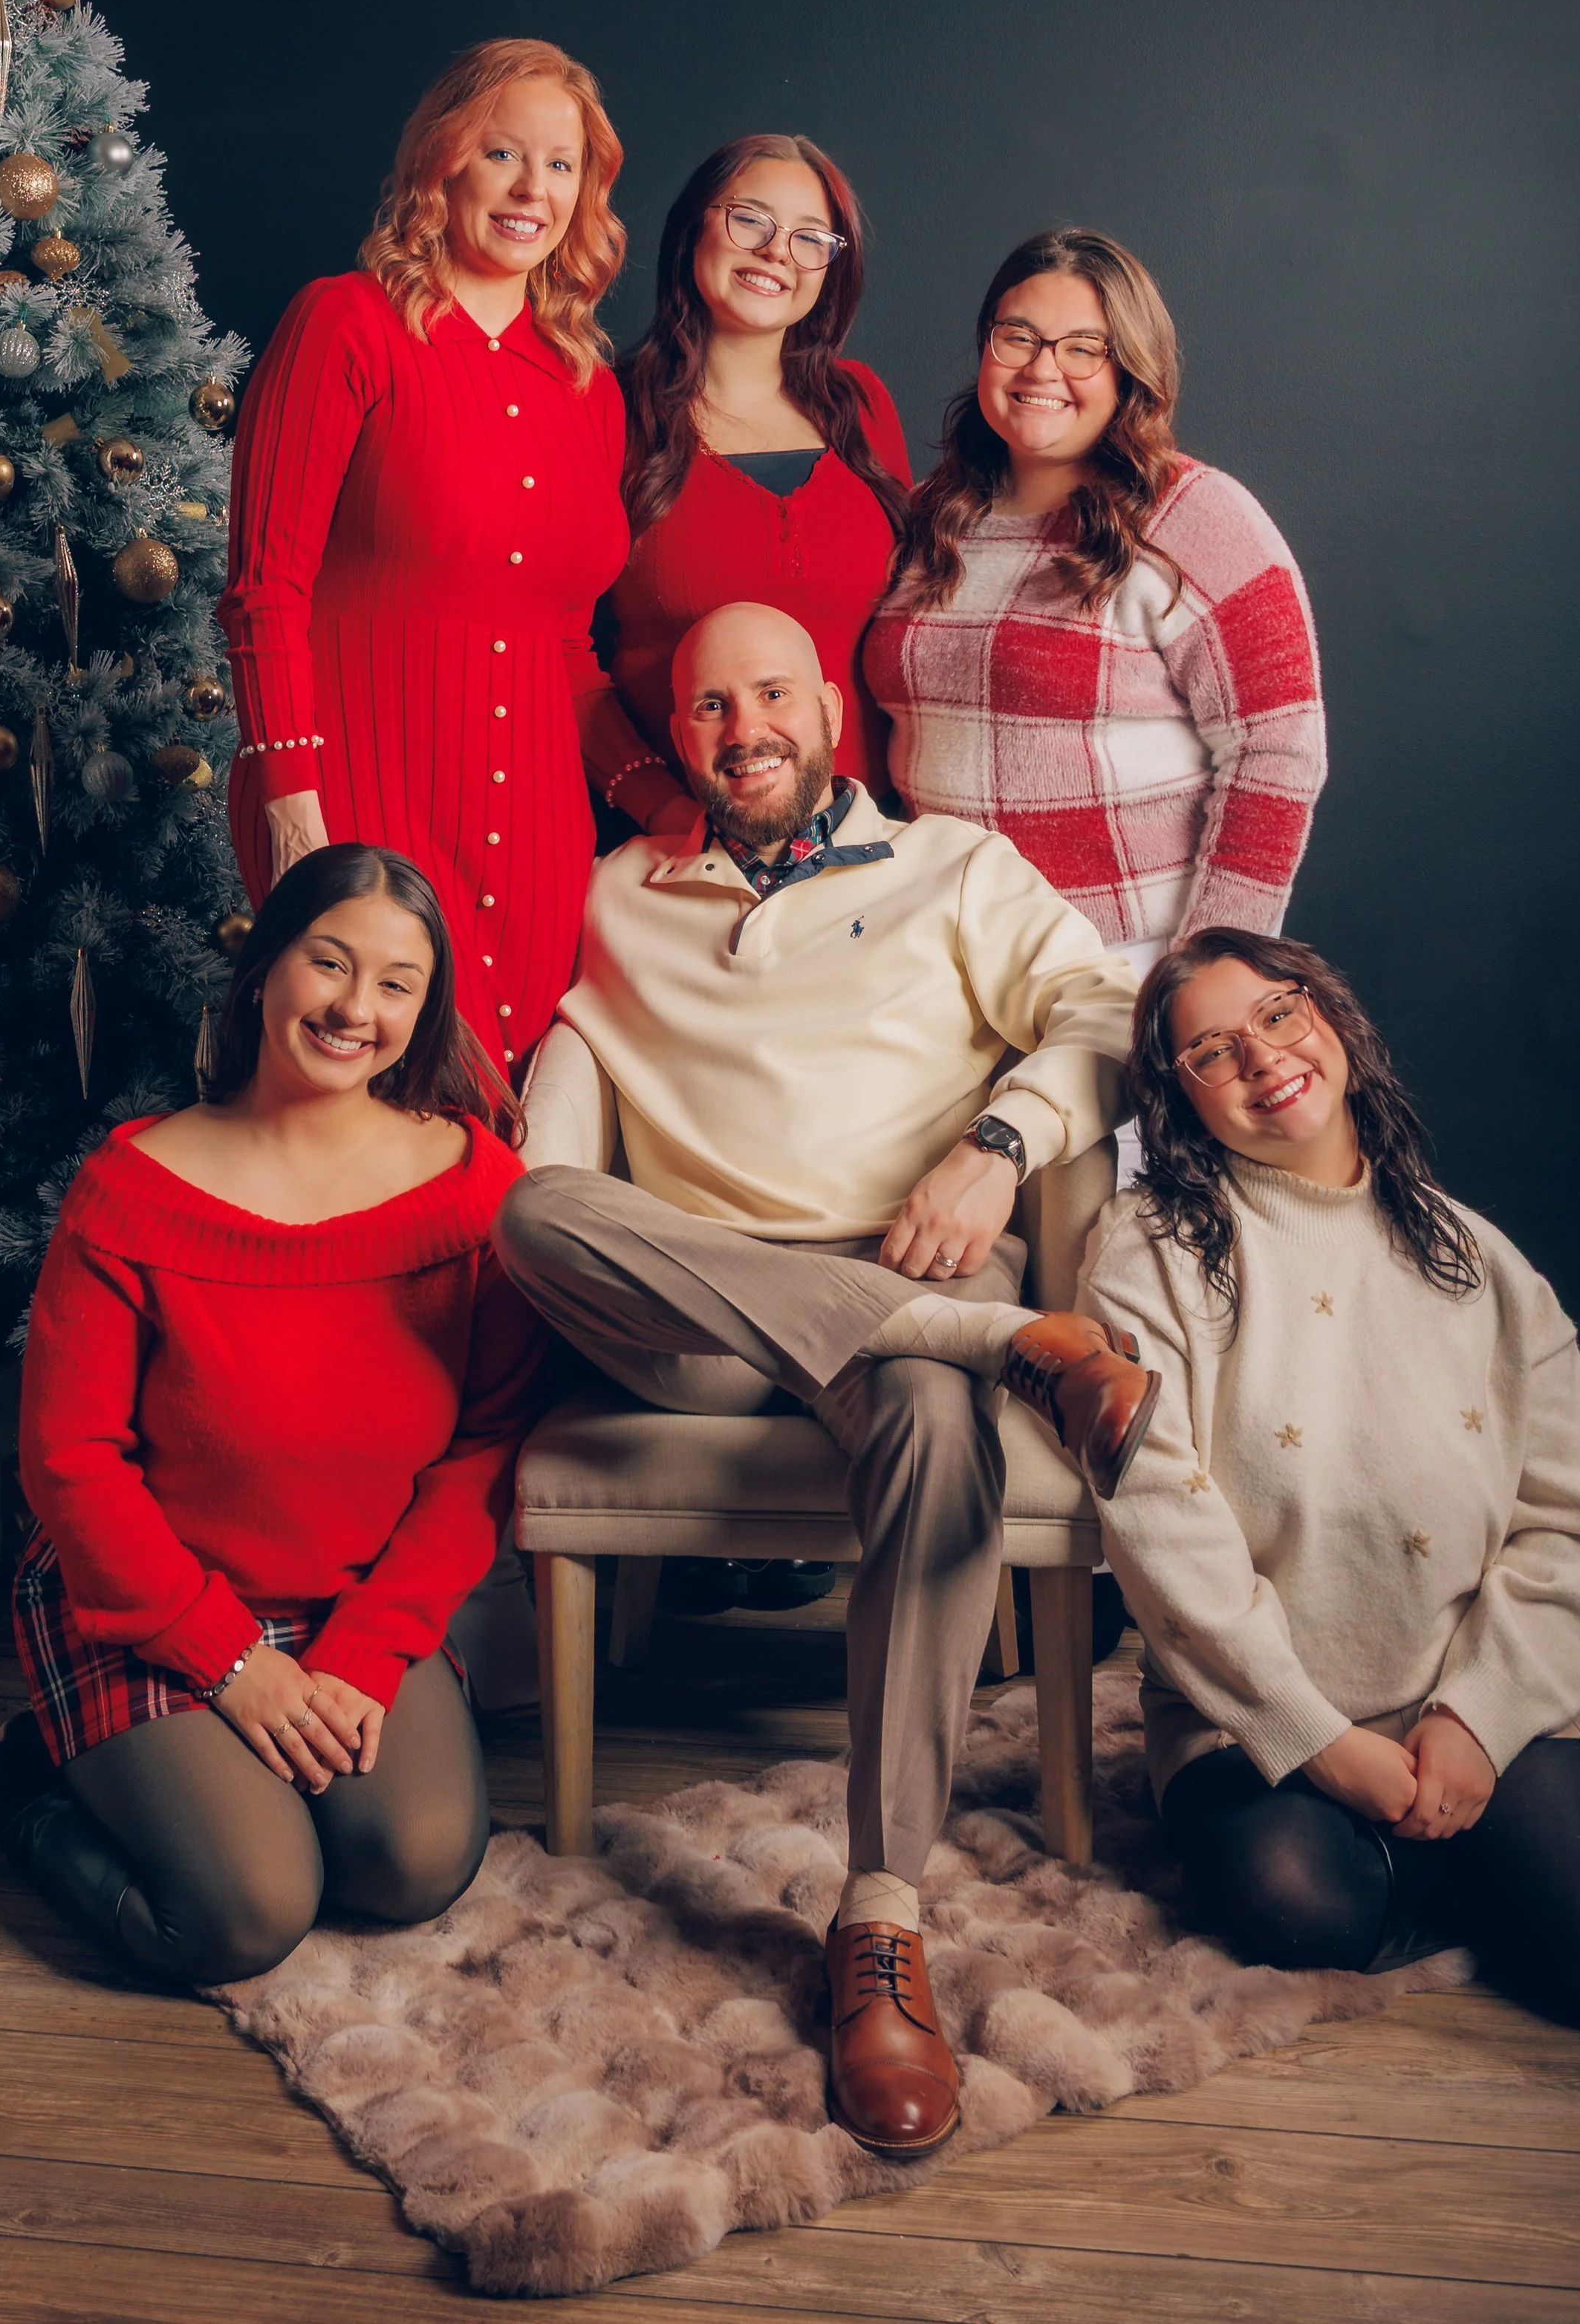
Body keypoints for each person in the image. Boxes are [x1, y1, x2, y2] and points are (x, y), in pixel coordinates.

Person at [493, 600, 1160, 2158]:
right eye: (710, 708)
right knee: (534, 1208)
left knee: (928, 1414)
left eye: (771, 694)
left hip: (910, 1275)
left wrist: (997, 1151)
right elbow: (543, 1121)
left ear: (827, 712)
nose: (744, 731)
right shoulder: (615, 896)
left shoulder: (954, 869)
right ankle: (1009, 1353)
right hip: (696, 1325)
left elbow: (1108, 1012)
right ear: (678, 740)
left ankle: (878, 1922)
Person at [1043, 927, 1580, 2031]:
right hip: (1245, 1715)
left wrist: (1478, 1718)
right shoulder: (1151, 1245)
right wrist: (1316, 1737)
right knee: (1302, 1905)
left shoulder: (1481, 1259)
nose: (1263, 1058)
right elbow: (1162, 1527)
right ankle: (1560, 1856)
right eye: (1213, 1052)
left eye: (1277, 1014)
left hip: (1466, 1684)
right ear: (1183, 1099)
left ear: (1331, 1020)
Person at [0, 847, 544, 1990]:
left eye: (398, 983)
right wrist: (232, 1663)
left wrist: (365, 1649)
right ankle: (18, 1788)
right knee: (244, 1914)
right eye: (330, 962)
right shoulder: (134, 1190)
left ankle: (207, 1778)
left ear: (426, 1007)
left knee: (410, 1864)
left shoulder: (475, 1188)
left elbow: (484, 1448)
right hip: (153, 1600)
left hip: (355, 1601)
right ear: (265, 969)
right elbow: (71, 1464)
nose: (357, 1008)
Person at [218, 38, 629, 1073]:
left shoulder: (588, 388)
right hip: (359, 803)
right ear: (442, 162)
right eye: (503, 153)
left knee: (498, 1152)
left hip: (539, 832)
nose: (534, 187)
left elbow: (568, 643)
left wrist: (663, 804)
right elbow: (266, 593)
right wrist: (293, 808)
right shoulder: (344, 326)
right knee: (357, 1107)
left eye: (563, 164)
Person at [865, 227, 1327, 1008]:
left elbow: (1276, 751)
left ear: (1129, 371)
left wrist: (1213, 970)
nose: (1044, 369)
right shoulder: (929, 514)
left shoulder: (1196, 518)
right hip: (944, 958)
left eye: (1085, 347)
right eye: (1018, 337)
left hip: (1125, 965)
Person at [582, 132, 911, 845]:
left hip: (872, 844)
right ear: (696, 225)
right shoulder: (605, 412)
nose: (776, 253)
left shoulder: (863, 406)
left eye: (808, 238)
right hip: (686, 845)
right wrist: (658, 806)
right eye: (751, 220)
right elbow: (556, 649)